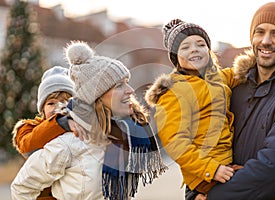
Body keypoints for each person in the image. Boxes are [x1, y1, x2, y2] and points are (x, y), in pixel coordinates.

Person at [11, 41, 166, 200]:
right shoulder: (69, 142)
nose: (130, 90)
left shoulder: (124, 135)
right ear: (96, 96)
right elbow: (21, 188)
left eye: (126, 83)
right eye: (119, 85)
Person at [207, 2, 275, 200]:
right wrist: (195, 191)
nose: (266, 41)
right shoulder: (234, 89)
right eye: (260, 32)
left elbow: (273, 170)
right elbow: (202, 144)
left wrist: (211, 196)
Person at [145, 19, 239, 199]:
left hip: (226, 161)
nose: (194, 49)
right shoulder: (175, 92)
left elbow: (242, 73)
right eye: (185, 47)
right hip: (206, 172)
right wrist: (211, 169)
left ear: (209, 51)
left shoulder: (218, 77)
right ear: (176, 59)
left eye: (200, 44)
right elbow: (175, 142)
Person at [11, 65, 81, 200]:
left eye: (64, 101)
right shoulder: (28, 127)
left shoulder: (79, 125)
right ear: (42, 109)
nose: (58, 107)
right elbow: (27, 145)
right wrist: (60, 123)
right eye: (51, 103)